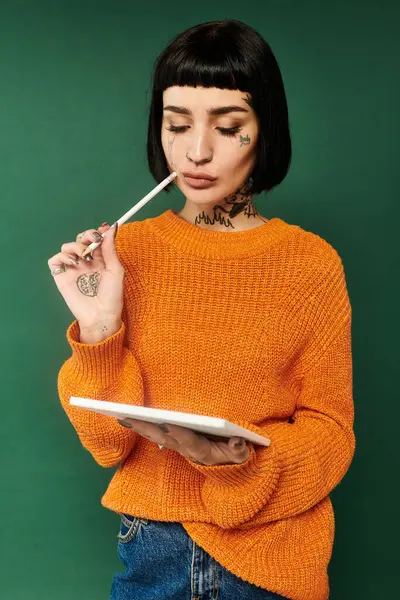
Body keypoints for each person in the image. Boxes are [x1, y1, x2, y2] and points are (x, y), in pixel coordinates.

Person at [48, 19, 355, 600]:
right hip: (152, 543)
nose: (196, 151)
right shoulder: (122, 255)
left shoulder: (311, 264)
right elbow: (107, 443)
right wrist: (97, 322)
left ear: (265, 129)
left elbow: (331, 432)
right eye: (177, 124)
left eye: (228, 125)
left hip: (275, 554)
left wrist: (238, 464)